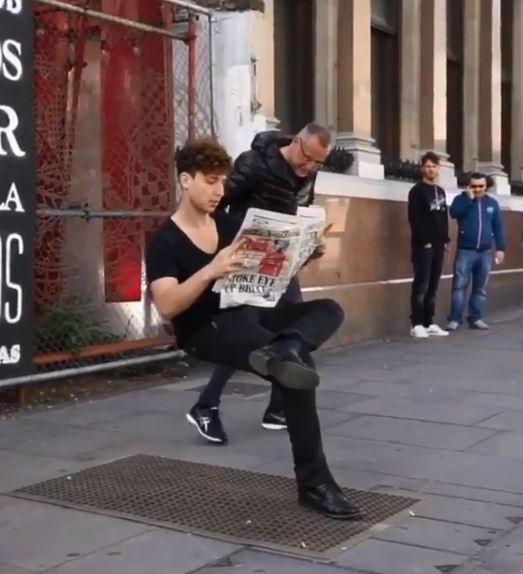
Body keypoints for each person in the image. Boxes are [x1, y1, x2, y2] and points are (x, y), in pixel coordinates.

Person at [146, 138, 361, 520]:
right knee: (297, 378)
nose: (219, 190)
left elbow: (267, 277)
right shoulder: (165, 241)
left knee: (328, 309)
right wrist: (211, 270)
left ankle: (287, 347)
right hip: (206, 329)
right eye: (210, 181)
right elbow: (167, 304)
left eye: (222, 181)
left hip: (248, 312)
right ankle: (315, 485)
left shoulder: (229, 225)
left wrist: (302, 254)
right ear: (185, 180)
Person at [191, 123, 331, 443]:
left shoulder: (308, 172)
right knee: (244, 333)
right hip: (247, 260)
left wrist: (310, 241)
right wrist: (236, 239)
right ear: (296, 142)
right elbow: (216, 205)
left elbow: (301, 209)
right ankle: (206, 405)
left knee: (294, 329)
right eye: (307, 157)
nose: (309, 166)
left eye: (317, 163)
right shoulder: (254, 162)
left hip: (282, 259)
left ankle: (277, 410)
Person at [446, 173, 506, 331]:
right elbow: (454, 213)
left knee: (480, 288)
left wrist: (500, 248)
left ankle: (475, 318)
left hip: (485, 252)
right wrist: (468, 198)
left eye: (481, 186)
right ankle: (454, 319)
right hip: (465, 251)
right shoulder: (461, 200)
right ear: (468, 185)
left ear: (487, 186)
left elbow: (498, 227)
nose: (477, 189)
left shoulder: (492, 203)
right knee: (459, 286)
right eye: (474, 186)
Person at [407, 151, 450, 339]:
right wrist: (424, 241)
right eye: (427, 166)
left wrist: (445, 240)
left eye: (434, 166)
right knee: (421, 285)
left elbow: (443, 218)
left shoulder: (440, 191)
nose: (431, 169)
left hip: (439, 245)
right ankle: (416, 324)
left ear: (438, 169)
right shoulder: (416, 191)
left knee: (433, 285)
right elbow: (414, 219)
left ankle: (429, 322)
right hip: (423, 246)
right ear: (422, 168)